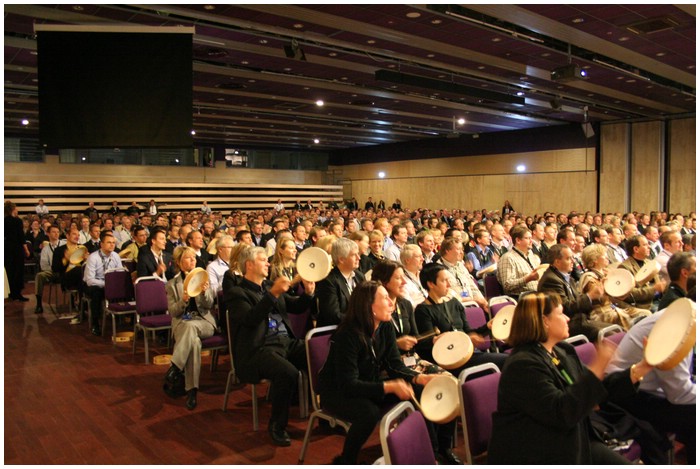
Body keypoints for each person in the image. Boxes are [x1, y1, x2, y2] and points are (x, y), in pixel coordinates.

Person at [488, 292, 652, 464]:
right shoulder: (522, 365)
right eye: (561, 314)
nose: (567, 318)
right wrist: (597, 367)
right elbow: (563, 412)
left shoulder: (563, 351)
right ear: (544, 321)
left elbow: (598, 390)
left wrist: (641, 368)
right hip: (539, 451)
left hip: (571, 439)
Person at [318, 281, 449, 464]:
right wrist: (389, 386)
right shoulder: (347, 335)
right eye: (385, 298)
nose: (391, 302)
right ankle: (345, 461)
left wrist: (419, 377)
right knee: (369, 413)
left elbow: (394, 365)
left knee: (418, 391)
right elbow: (349, 384)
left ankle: (431, 456)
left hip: (367, 384)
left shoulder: (385, 327)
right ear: (369, 306)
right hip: (337, 392)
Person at [224, 246, 315, 446]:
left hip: (285, 342)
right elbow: (250, 319)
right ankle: (277, 425)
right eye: (263, 260)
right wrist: (272, 294)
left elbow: (295, 306)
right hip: (258, 349)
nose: (268, 263)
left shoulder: (267, 286)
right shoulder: (236, 292)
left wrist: (308, 294)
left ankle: (323, 409)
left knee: (319, 353)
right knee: (288, 372)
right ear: (249, 264)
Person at [605, 295, 696, 464]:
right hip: (625, 397)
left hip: (647, 390)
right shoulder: (675, 327)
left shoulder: (683, 318)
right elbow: (678, 393)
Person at [415, 263, 507, 372]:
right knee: (507, 361)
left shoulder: (454, 303)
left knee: (511, 360)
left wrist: (487, 327)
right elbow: (425, 345)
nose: (449, 285)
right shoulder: (423, 310)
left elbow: (468, 332)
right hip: (450, 361)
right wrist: (437, 340)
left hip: (467, 354)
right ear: (430, 284)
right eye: (444, 281)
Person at [164, 246, 218, 410]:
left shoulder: (202, 278)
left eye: (194, 257)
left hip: (204, 322)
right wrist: (184, 300)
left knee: (191, 327)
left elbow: (209, 305)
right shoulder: (172, 284)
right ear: (179, 263)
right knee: (193, 343)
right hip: (182, 323)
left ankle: (175, 367)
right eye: (188, 258)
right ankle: (192, 391)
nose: (193, 260)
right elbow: (173, 312)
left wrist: (203, 292)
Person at [538, 244, 610, 342]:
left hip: (581, 319)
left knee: (616, 329)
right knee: (608, 334)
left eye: (573, 257)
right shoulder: (550, 280)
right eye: (568, 258)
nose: (573, 261)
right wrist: (590, 295)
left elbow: (576, 300)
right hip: (568, 323)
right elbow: (565, 308)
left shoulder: (567, 277)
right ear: (557, 262)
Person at [579, 243, 650, 330]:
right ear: (595, 260)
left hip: (613, 308)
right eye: (604, 256)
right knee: (640, 319)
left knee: (646, 313)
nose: (607, 258)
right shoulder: (588, 276)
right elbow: (598, 298)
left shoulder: (606, 272)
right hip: (601, 313)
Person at [316, 237, 366, 326]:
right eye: (354, 255)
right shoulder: (328, 281)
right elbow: (332, 315)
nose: (359, 258)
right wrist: (359, 320)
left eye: (358, 254)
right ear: (341, 259)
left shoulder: (359, 276)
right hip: (337, 331)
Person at [83, 231, 122, 335]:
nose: (112, 245)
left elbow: (119, 273)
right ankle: (95, 324)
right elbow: (89, 280)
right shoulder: (93, 257)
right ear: (101, 244)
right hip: (95, 284)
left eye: (113, 242)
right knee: (96, 293)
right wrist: (106, 284)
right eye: (109, 242)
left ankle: (127, 320)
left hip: (111, 284)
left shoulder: (116, 256)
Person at [618, 235, 667, 311]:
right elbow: (629, 294)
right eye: (645, 245)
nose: (649, 247)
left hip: (660, 300)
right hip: (645, 305)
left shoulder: (649, 262)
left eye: (648, 244)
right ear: (636, 249)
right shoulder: (624, 267)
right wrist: (653, 289)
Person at [497, 224, 541, 298]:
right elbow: (507, 285)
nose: (531, 241)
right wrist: (527, 279)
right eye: (528, 238)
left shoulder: (530, 254)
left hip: (537, 294)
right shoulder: (508, 258)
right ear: (518, 240)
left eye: (531, 238)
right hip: (521, 298)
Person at [33, 225, 66, 313]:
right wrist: (54, 268)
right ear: (48, 233)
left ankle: (74, 301)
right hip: (51, 272)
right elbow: (43, 266)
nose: (56, 234)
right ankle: (39, 304)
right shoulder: (46, 249)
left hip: (64, 271)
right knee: (39, 276)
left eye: (58, 232)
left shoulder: (64, 244)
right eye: (53, 232)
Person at [5, 202, 30, 301]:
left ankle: (10, 292)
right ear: (13, 209)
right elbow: (21, 237)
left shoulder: (3, 221)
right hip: (16, 248)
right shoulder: (17, 221)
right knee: (18, 271)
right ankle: (17, 293)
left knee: (9, 270)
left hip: (6, 248)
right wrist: (26, 249)